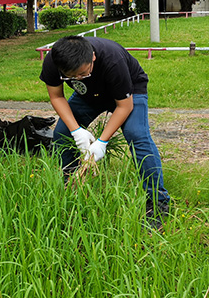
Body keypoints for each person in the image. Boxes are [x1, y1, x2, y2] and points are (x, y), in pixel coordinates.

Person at [39, 36, 171, 229]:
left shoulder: (112, 59)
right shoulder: (54, 61)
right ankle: (71, 187)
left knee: (137, 136)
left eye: (83, 74)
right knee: (62, 135)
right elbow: (57, 96)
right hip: (89, 95)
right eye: (72, 77)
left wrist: (102, 142)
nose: (77, 79)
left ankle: (158, 202)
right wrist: (76, 131)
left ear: (93, 57)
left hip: (130, 92)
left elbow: (124, 106)